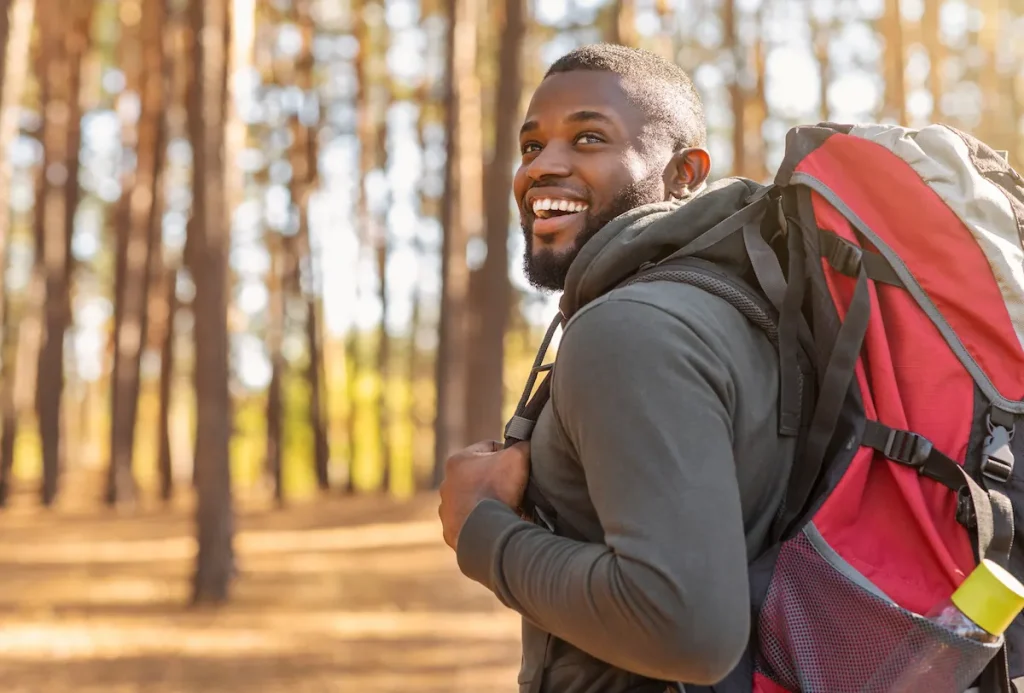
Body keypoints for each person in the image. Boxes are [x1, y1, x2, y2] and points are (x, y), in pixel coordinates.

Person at [437, 43, 795, 693]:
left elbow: (688, 628)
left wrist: (480, 526)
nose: (543, 167)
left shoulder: (629, 330)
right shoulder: (732, 310)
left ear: (684, 173)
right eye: (530, 147)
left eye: (589, 137)